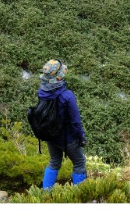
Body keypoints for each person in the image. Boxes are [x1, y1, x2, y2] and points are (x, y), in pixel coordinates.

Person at [37, 59, 88, 189]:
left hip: (51, 136)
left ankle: (45, 195)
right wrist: (81, 138)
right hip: (68, 139)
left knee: (54, 162)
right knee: (79, 163)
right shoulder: (67, 95)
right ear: (59, 78)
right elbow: (76, 122)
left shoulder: (42, 93)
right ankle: (79, 197)